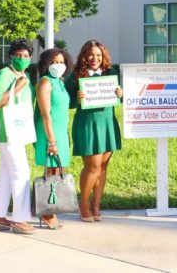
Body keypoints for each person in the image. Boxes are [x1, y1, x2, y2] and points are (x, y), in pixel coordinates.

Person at [66, 39, 124, 223]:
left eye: (98, 55)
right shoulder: (75, 75)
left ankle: (96, 204)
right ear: (84, 55)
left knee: (103, 167)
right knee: (92, 167)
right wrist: (76, 98)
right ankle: (83, 204)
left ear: (103, 56)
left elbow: (120, 101)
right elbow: (66, 102)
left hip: (107, 124)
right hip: (87, 124)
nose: (95, 58)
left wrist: (121, 95)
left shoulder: (111, 73)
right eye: (91, 54)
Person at [0, 38, 37, 234]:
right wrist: (16, 88)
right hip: (6, 129)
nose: (22, 59)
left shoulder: (25, 75)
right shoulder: (4, 74)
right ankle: (20, 219)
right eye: (18, 56)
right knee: (21, 171)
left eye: (26, 56)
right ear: (11, 56)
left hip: (18, 129)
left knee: (7, 174)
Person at [34, 47, 74, 230]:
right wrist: (52, 140)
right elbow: (45, 113)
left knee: (59, 171)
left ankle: (52, 208)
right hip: (50, 133)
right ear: (46, 64)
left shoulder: (60, 81)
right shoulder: (45, 82)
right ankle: (46, 212)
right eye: (54, 62)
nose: (58, 65)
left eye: (61, 62)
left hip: (61, 132)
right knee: (51, 172)